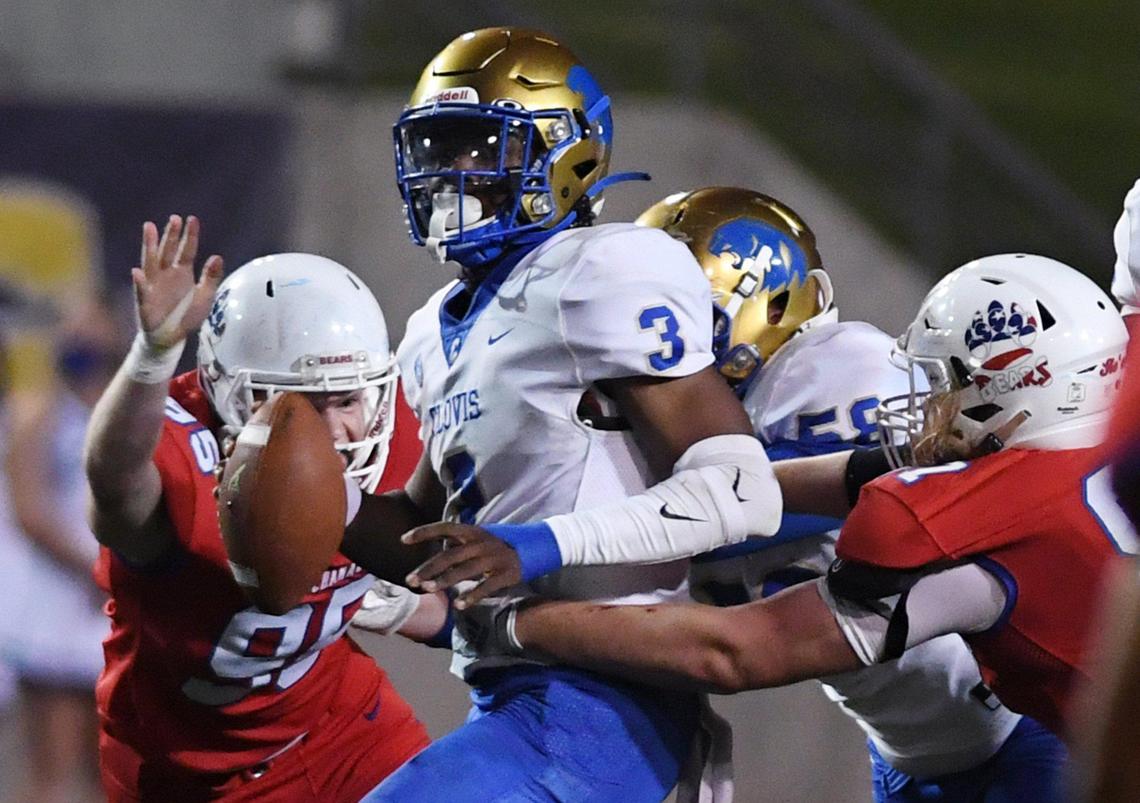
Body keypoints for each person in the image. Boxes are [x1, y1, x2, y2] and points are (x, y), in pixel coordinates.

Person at [346, 26, 783, 803]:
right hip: (516, 695)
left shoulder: (601, 269)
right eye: (436, 147)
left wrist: (538, 546)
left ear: (565, 154)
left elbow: (742, 490)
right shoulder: (428, 332)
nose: (448, 171)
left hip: (609, 696)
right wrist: (316, 502)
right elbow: (427, 530)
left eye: (477, 146)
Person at [470, 252, 1134, 745]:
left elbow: (739, 651)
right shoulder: (1105, 446)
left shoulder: (969, 524)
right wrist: (716, 490)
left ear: (1013, 387)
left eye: (945, 387)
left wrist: (512, 623)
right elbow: (860, 472)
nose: (928, 407)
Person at [640, 186, 1066, 801]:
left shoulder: (833, 367)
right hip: (910, 751)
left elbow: (749, 509)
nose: (655, 343)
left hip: (1023, 723)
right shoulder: (690, 424)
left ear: (770, 302)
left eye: (681, 317)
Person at [83, 216, 435, 802]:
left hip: (343, 732)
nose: (332, 432)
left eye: (347, 400)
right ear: (228, 395)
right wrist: (153, 353)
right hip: (189, 772)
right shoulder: (181, 457)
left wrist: (428, 612)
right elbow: (112, 480)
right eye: (301, 405)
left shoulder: (402, 429)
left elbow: (449, 584)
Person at [0, 298, 120, 802]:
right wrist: (94, 569)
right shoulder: (40, 417)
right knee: (53, 775)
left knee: (110, 775)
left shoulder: (128, 418)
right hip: (56, 611)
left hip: (108, 611)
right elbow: (30, 511)